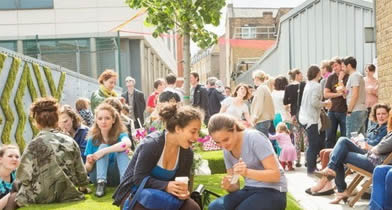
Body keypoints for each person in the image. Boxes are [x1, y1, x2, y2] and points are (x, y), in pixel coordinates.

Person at [113, 104, 203, 210]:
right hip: (135, 193)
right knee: (148, 200)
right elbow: (138, 179)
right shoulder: (152, 144)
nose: (197, 137)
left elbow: (180, 181)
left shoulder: (187, 153)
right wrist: (166, 186)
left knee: (192, 207)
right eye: (193, 131)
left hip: (162, 194)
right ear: (178, 128)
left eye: (198, 132)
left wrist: (182, 191)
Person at [10, 97, 89, 208]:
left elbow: (22, 176)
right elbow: (81, 172)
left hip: (39, 196)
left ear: (36, 122)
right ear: (57, 120)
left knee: (13, 192)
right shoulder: (70, 141)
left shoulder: (33, 145)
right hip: (67, 194)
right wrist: (83, 187)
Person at [308, 109, 392, 204]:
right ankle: (335, 180)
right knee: (341, 144)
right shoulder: (381, 129)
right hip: (370, 156)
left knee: (337, 152)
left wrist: (368, 146)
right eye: (378, 114)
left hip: (374, 162)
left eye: (384, 114)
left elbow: (378, 149)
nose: (381, 116)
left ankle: (338, 187)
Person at [207, 114, 287, 210]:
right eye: (218, 142)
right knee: (215, 207)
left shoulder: (254, 138)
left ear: (234, 128)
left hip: (274, 190)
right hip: (249, 189)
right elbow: (235, 186)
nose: (223, 145)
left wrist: (246, 172)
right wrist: (229, 185)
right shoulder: (227, 151)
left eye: (226, 139)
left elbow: (275, 175)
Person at [84, 103, 132, 197]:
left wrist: (103, 151)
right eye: (100, 118)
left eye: (107, 118)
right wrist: (90, 162)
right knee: (102, 146)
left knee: (121, 149)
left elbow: (127, 143)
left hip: (117, 175)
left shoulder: (121, 134)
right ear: (96, 121)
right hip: (97, 177)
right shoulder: (92, 139)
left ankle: (125, 184)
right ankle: (101, 184)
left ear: (113, 120)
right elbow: (88, 169)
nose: (103, 121)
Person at [299, 65, 331, 174]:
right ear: (317, 73)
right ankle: (311, 169)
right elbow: (314, 102)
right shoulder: (317, 85)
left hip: (304, 117)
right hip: (311, 119)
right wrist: (325, 103)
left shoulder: (308, 84)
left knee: (313, 144)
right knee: (313, 145)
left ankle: (311, 166)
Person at [283, 68, 307, 167]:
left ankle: (297, 160)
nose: (302, 76)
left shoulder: (288, 87)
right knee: (306, 137)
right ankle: (307, 160)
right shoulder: (304, 85)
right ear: (297, 75)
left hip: (294, 115)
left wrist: (291, 103)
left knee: (297, 137)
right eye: (301, 74)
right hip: (305, 114)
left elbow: (285, 102)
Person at [324, 57, 349, 148]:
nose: (334, 68)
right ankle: (329, 158)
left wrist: (340, 80)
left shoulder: (347, 76)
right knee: (329, 136)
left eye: (336, 65)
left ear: (341, 64)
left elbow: (345, 94)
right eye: (332, 67)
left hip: (344, 111)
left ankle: (344, 160)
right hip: (332, 111)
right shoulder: (331, 77)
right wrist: (338, 94)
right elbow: (326, 94)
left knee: (344, 137)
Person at [343, 56, 367, 138]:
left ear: (348, 65)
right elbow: (348, 94)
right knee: (360, 138)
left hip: (355, 110)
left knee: (351, 138)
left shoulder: (354, 76)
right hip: (359, 110)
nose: (342, 69)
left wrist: (349, 111)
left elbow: (355, 94)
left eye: (343, 66)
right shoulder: (356, 75)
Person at [250, 70, 275, 137]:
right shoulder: (266, 88)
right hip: (265, 120)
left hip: (261, 120)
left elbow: (259, 105)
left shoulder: (261, 89)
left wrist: (255, 118)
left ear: (257, 78)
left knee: (261, 143)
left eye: (253, 79)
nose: (254, 81)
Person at [0, 145, 20, 210]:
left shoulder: (18, 174)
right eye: (10, 156)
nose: (14, 159)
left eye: (17, 157)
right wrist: (11, 193)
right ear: (0, 159)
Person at [364, 64, 379, 130]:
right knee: (364, 125)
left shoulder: (377, 81)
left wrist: (372, 92)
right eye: (367, 71)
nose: (368, 73)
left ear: (373, 71)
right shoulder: (363, 80)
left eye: (370, 71)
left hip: (374, 106)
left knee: (373, 125)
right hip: (365, 106)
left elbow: (380, 94)